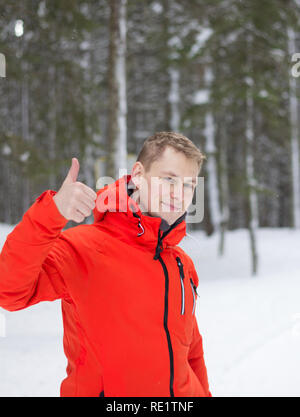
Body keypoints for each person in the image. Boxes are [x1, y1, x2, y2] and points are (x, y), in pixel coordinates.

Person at [0, 131, 212, 397]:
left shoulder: (181, 263)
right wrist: (51, 212)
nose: (178, 194)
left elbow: (190, 350)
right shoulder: (83, 248)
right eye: (169, 179)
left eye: (188, 185)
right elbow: (9, 291)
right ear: (138, 175)